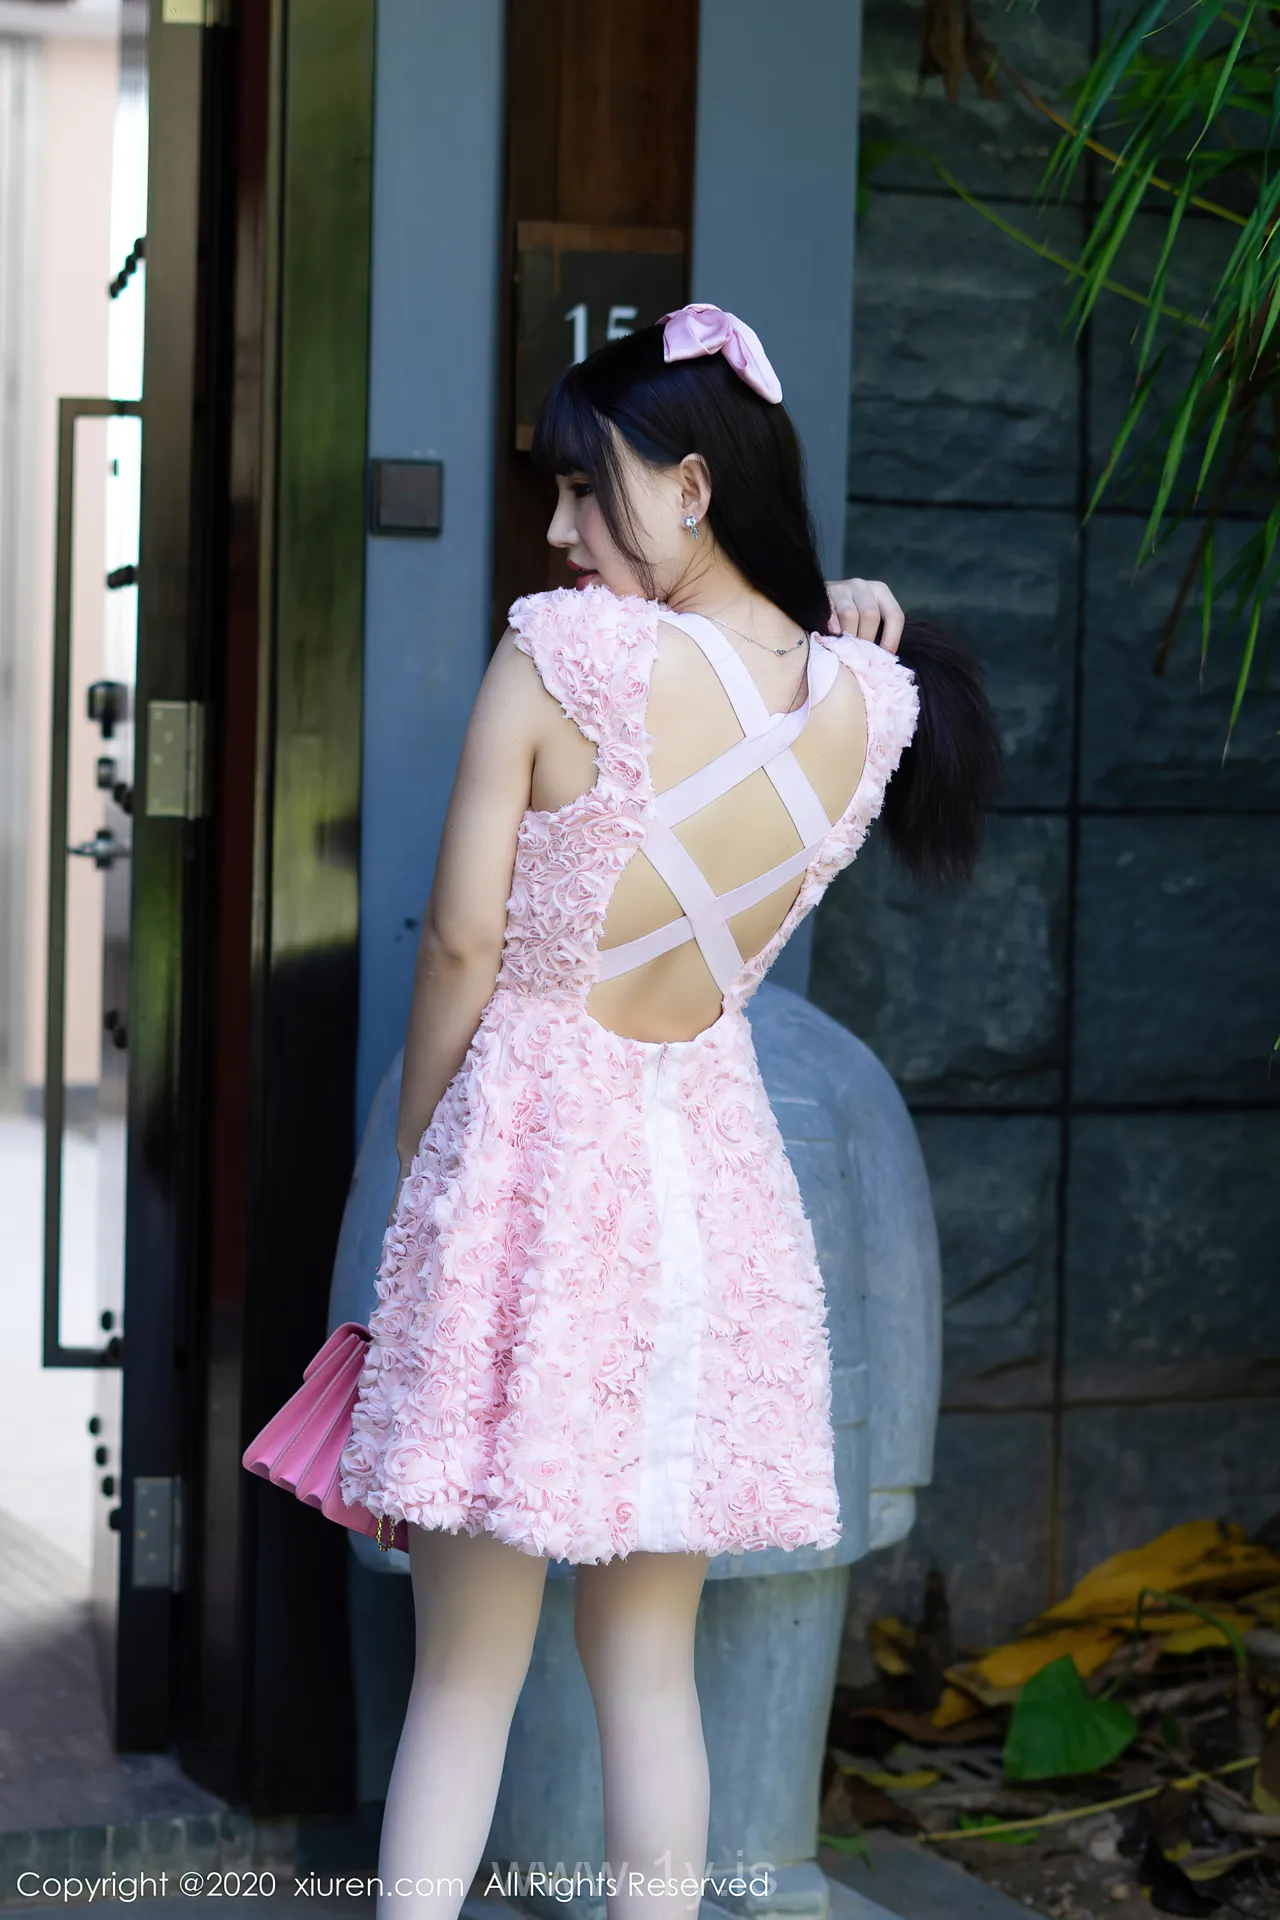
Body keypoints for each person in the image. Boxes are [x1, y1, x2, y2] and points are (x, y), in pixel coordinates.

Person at [338, 304, 1001, 1920]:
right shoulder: (869, 702)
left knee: (464, 1678)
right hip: (709, 1192)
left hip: (529, 1168)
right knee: (650, 1676)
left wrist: (424, 1146)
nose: (558, 531)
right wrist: (832, 616)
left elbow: (461, 943)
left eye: (587, 490)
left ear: (692, 487)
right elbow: (795, 661)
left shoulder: (563, 655)